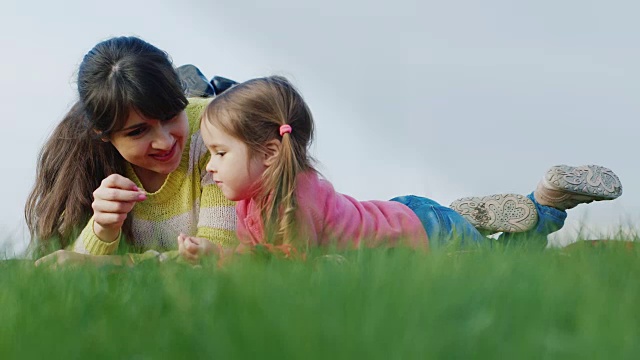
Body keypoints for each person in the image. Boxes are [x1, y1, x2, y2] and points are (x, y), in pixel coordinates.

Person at [177, 75, 623, 261]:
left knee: (507, 265)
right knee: (461, 234)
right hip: (405, 215)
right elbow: (267, 261)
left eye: (219, 153)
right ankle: (465, 215)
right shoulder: (263, 194)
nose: (210, 167)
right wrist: (219, 255)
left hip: (425, 236)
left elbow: (289, 273)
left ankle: (546, 201)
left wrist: (221, 258)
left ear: (270, 153)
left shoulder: (293, 203)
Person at [26, 36, 238, 266]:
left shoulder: (216, 133)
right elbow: (61, 268)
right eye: (138, 131)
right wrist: (101, 229)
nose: (165, 142)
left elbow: (215, 255)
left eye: (171, 116)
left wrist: (104, 265)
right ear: (103, 133)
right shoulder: (83, 159)